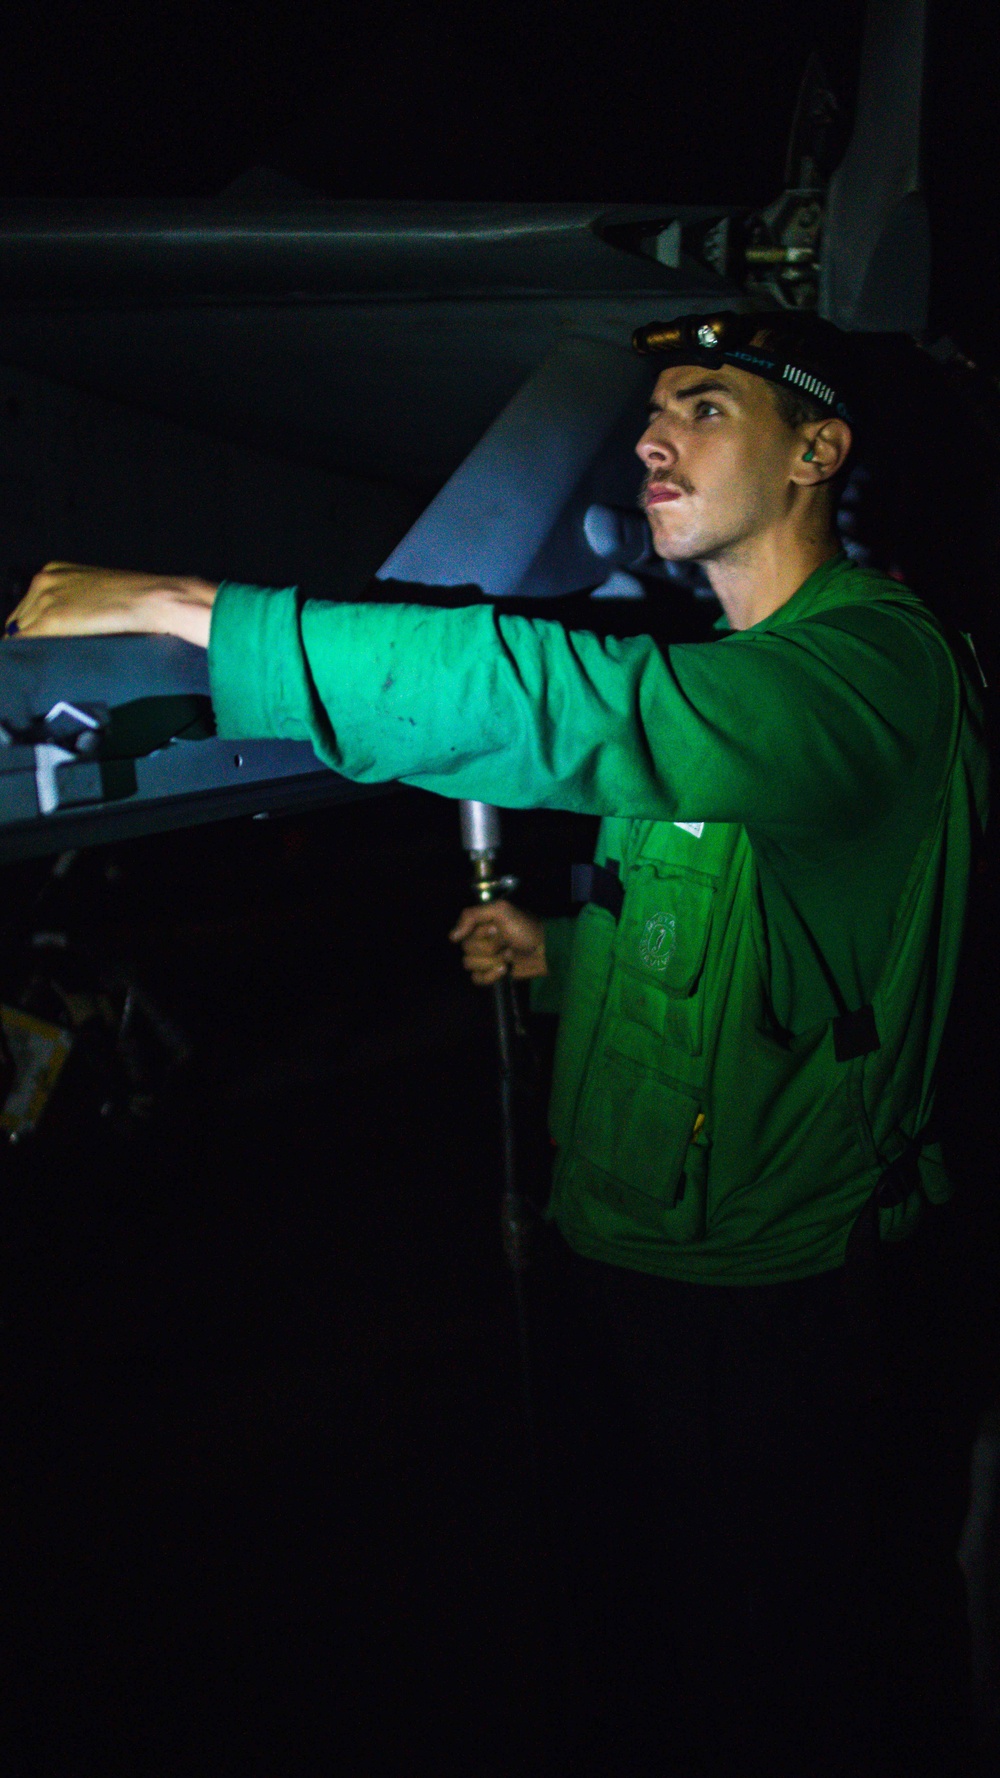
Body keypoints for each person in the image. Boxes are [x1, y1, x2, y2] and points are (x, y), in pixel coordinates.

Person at [5, 312, 989, 1775]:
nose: (653, 437)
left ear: (818, 454)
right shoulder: (740, 677)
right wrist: (565, 955)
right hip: (630, 1244)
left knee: (780, 1673)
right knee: (637, 1641)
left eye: (705, 408)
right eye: (652, 410)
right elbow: (738, 956)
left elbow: (583, 710)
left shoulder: (869, 671)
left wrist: (193, 605)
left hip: (772, 1303)